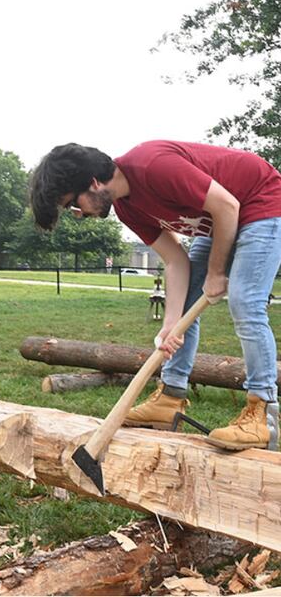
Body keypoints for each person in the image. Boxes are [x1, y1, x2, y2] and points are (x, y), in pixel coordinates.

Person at [29, 140, 281, 451]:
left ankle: (263, 413)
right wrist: (170, 324)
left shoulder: (153, 166)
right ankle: (170, 398)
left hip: (261, 202)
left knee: (245, 301)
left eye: (72, 204)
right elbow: (175, 261)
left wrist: (216, 273)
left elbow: (227, 205)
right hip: (220, 222)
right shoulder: (127, 208)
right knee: (186, 302)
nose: (77, 214)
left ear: (93, 183)